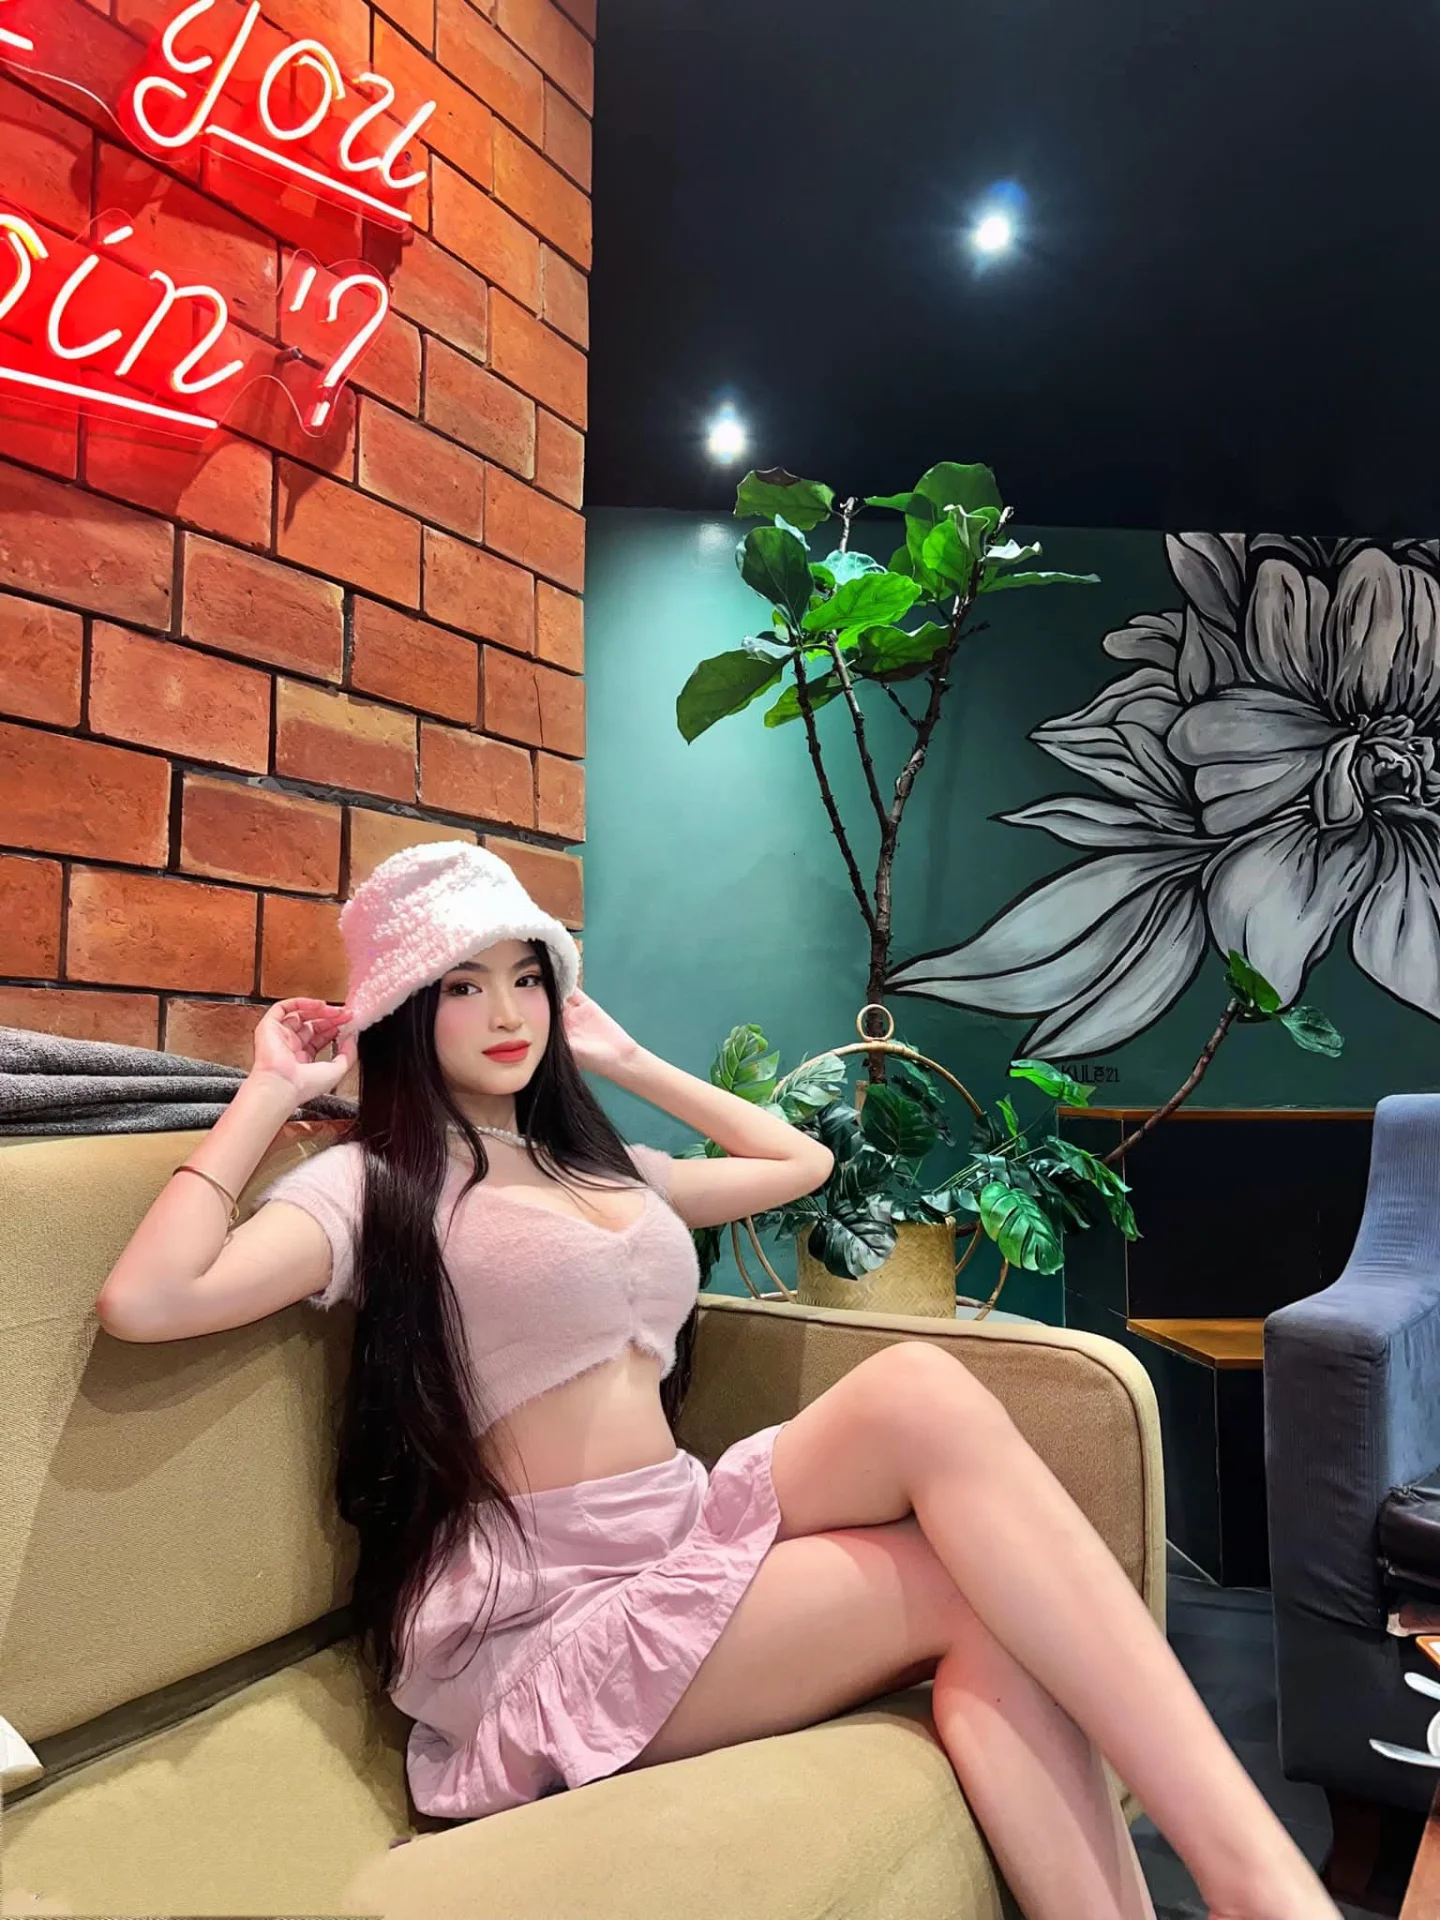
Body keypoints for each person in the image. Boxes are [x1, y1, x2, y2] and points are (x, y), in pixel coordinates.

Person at [95, 841, 1339, 1920]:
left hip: (677, 1530)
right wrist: (270, 1092)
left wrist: (628, 1056)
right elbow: (148, 1302)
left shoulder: (603, 1166)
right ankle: (1256, 1886)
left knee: (922, 1391)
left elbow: (799, 1163)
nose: (507, 1010)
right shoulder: (372, 1186)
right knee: (979, 1597)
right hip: (554, 1615)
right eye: (461, 985)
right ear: (403, 1011)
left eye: (527, 974)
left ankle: (1248, 1879)